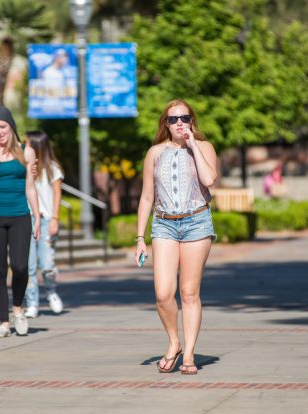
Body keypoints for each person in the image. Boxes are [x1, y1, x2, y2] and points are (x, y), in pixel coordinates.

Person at [135, 99, 217, 375]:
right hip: (164, 225)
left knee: (189, 292)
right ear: (166, 125)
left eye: (184, 118)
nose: (179, 123)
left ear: (192, 121)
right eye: (173, 119)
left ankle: (190, 354)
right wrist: (139, 237)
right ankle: (174, 342)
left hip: (196, 222)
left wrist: (193, 145)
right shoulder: (155, 152)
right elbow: (147, 197)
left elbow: (209, 180)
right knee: (162, 293)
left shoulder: (204, 148)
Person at [0, 105, 41, 338]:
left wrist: (37, 217)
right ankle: (4, 323)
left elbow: (30, 187)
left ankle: (18, 310)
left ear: (11, 127)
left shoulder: (27, 152)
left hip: (19, 216)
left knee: (20, 266)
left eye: (2, 126)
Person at [24, 130, 64, 318]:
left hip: (46, 219)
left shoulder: (52, 168)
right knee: (29, 265)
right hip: (27, 219)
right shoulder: (23, 166)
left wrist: (55, 218)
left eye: (27, 144)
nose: (24, 147)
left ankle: (51, 291)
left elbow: (57, 194)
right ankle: (32, 302)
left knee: (47, 263)